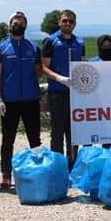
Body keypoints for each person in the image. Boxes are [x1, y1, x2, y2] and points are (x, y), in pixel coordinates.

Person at [0, 11, 43, 189]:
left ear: (25, 26)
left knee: (35, 138)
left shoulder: (34, 48)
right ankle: (6, 175)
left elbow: (38, 71)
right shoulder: (1, 49)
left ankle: (39, 170)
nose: (17, 25)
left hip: (30, 100)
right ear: (9, 26)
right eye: (14, 22)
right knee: (8, 139)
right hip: (9, 101)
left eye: (20, 22)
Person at [42, 9, 84, 157]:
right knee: (57, 133)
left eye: (71, 21)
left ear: (75, 24)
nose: (67, 23)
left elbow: (83, 65)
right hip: (57, 93)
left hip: (76, 94)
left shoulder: (80, 42)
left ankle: (72, 166)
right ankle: (58, 168)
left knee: (74, 133)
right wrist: (60, 78)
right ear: (59, 22)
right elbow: (43, 67)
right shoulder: (50, 41)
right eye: (65, 20)